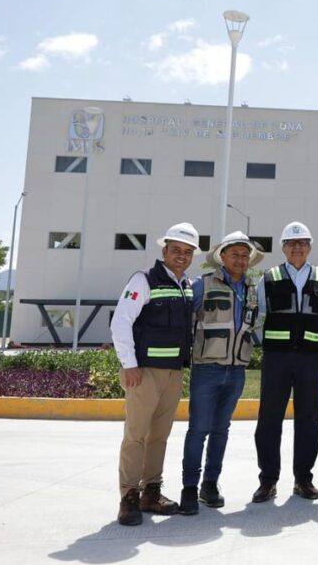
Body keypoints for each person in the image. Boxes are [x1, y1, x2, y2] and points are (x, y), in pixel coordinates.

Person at [109, 222, 200, 526]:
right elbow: (121, 322)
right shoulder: (144, 279)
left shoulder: (186, 286)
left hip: (173, 374)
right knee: (135, 436)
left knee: (159, 436)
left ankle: (151, 491)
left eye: (188, 252)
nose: (182, 255)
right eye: (176, 249)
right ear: (165, 250)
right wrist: (129, 364)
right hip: (143, 372)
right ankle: (129, 497)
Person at [178, 231, 262, 515]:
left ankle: (210, 484)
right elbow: (186, 322)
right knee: (198, 430)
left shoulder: (253, 288)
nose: (240, 259)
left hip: (237, 370)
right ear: (221, 257)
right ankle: (189, 488)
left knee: (220, 430)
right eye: (234, 254)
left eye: (244, 255)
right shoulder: (201, 285)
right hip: (207, 369)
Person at [251, 221, 318, 503]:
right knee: (269, 418)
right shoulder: (268, 277)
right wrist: (267, 347)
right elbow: (258, 316)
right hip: (277, 359)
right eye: (291, 243)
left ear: (309, 247)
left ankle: (303, 479)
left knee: (309, 419)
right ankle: (268, 480)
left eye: (302, 243)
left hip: (310, 359)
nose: (297, 247)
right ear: (283, 248)